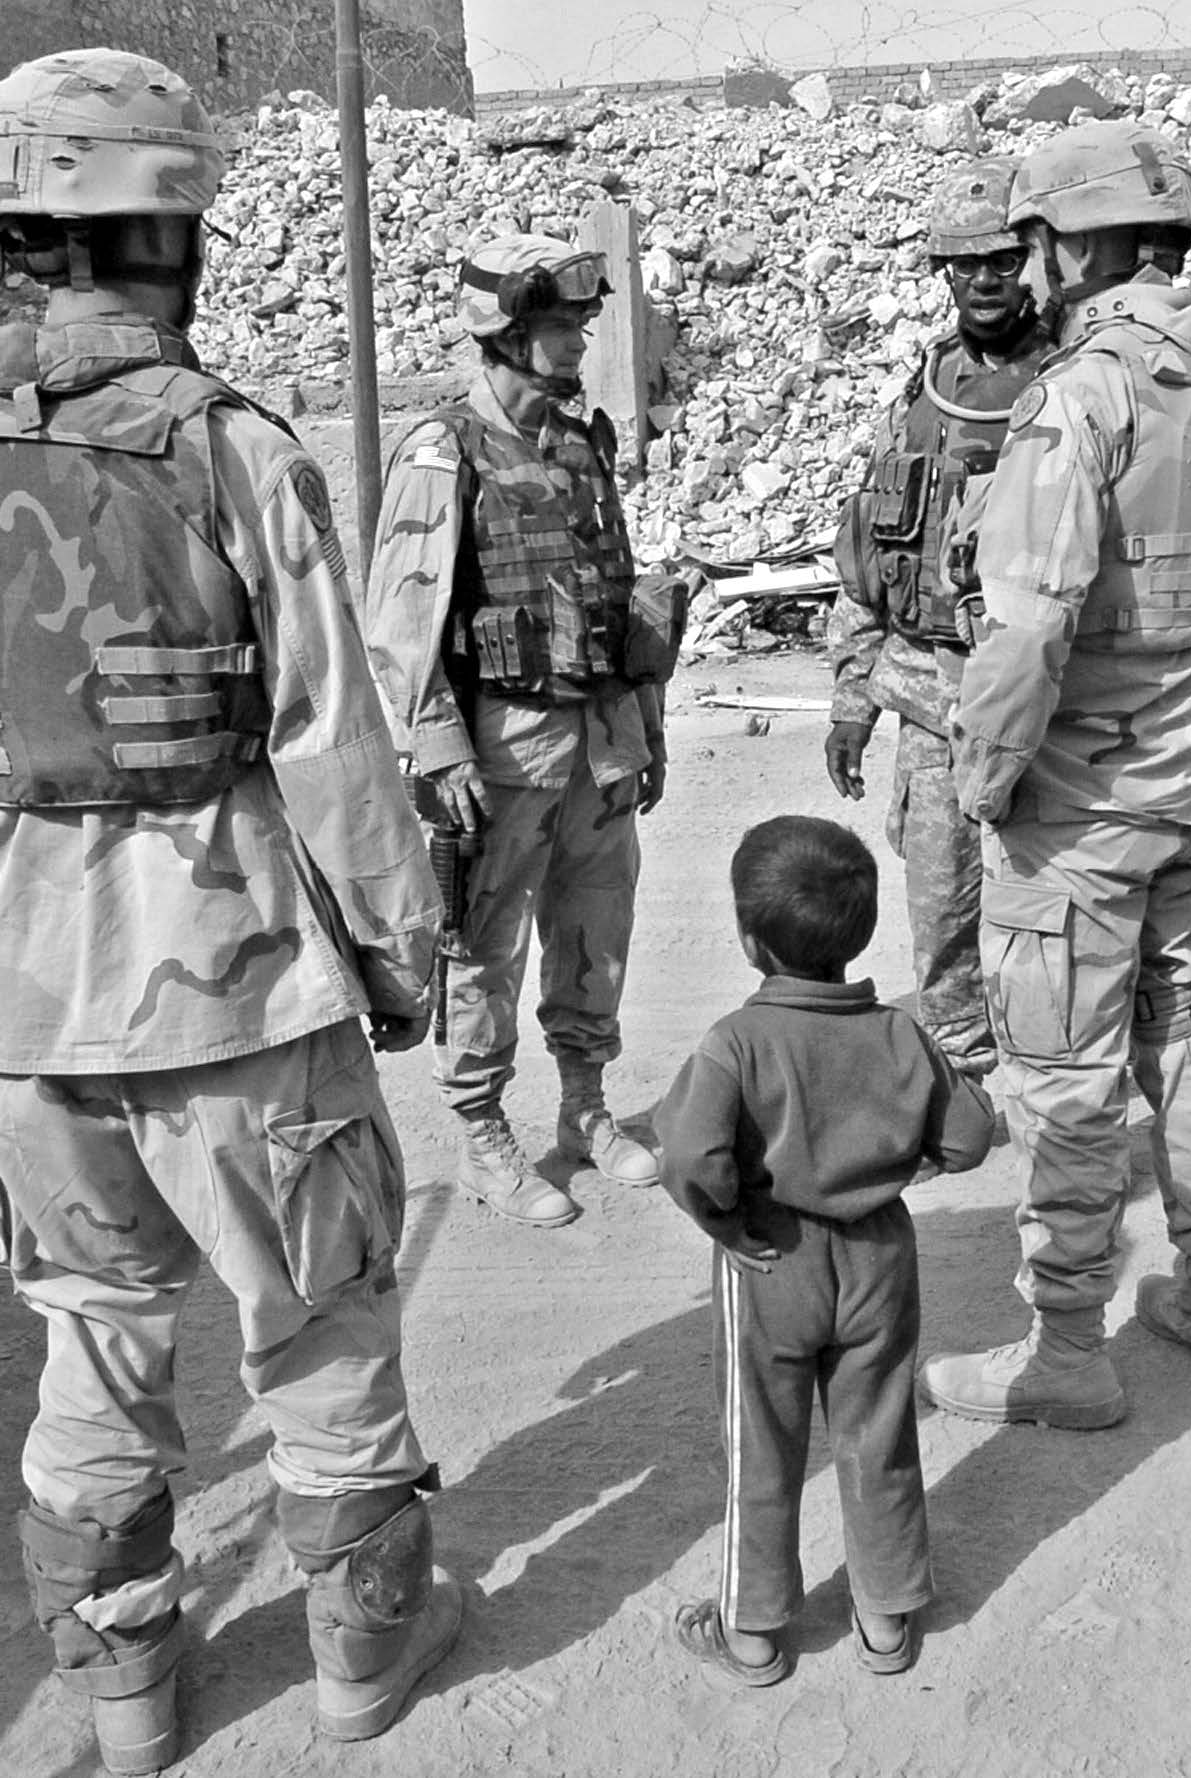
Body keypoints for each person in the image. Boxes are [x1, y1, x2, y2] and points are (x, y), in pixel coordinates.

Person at [0, 49, 461, 1773]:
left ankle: (122, 1690)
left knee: (96, 1343)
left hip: (28, 1020)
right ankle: (356, 1663)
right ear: (171, 229)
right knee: (319, 1326)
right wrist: (401, 962)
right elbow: (332, 740)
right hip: (238, 987)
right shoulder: (228, 448)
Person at [920, 119, 1191, 1430]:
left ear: (1078, 244)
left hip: (1088, 819)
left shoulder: (1081, 396)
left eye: (1037, 240)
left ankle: (1065, 1350)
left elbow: (1026, 635)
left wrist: (986, 788)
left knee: (1073, 1087)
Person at [364, 235, 686, 1230]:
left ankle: (585, 1106)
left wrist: (647, 724)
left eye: (584, 319)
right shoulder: (443, 448)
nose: (581, 335)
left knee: (596, 932)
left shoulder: (582, 439)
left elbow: (613, 589)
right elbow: (400, 616)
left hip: (598, 734)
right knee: (485, 946)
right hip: (503, 741)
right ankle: (481, 1131)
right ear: (506, 330)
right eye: (562, 321)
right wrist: (438, 739)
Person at [654, 816, 994, 1685]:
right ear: (862, 930)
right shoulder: (899, 1034)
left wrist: (725, 1223)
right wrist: (900, 1162)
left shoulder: (737, 1041)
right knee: (877, 1433)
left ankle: (755, 1631)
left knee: (762, 1445)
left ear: (746, 937)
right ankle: (886, 1619)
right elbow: (968, 1137)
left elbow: (691, 1156)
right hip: (880, 1258)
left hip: (771, 1260)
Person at [825, 156, 1048, 1079]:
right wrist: (851, 697)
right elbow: (869, 553)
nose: (986, 280)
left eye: (1002, 260)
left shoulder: (1077, 375)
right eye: (965, 265)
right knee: (942, 905)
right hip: (930, 695)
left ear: (1031, 260)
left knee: (1047, 901)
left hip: (1044, 699)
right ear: (943, 274)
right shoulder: (919, 397)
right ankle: (963, 1068)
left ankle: (1054, 1070)